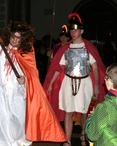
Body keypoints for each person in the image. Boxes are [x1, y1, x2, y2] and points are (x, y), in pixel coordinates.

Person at [0, 21, 66, 146]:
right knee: (0, 122)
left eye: (18, 38)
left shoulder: (25, 54)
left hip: (17, 94)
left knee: (18, 123)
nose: (15, 40)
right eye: (13, 36)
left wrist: (25, 80)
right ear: (9, 35)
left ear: (23, 39)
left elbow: (32, 75)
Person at [43, 13, 106, 146]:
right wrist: (51, 83)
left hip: (84, 83)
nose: (73, 32)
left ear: (81, 31)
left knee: (84, 111)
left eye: (76, 30)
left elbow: (95, 68)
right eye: (71, 30)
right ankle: (67, 139)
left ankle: (83, 133)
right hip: (68, 83)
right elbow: (60, 67)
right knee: (68, 111)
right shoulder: (66, 48)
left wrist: (96, 85)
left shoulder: (88, 47)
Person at [85, 63, 117, 145]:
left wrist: (91, 117)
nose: (104, 80)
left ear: (110, 81)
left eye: (106, 77)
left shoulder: (105, 107)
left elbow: (92, 135)